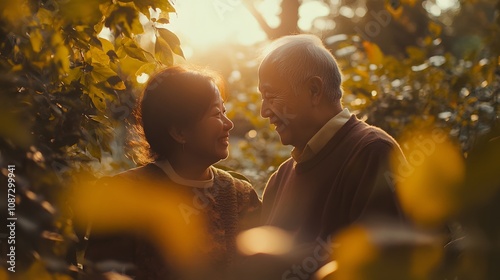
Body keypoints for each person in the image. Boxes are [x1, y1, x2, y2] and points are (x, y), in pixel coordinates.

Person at [82, 65, 261, 280]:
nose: (229, 124)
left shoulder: (240, 196)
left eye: (224, 111)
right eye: (216, 114)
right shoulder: (122, 195)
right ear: (179, 132)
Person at [258, 34, 406, 277]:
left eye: (270, 95)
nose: (264, 111)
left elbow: (381, 263)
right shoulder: (281, 177)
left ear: (314, 90)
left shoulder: (372, 152)